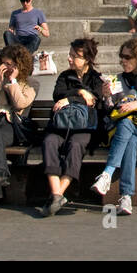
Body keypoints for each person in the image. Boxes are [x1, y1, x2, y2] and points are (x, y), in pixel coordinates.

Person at [91, 37, 137, 216]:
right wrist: (106, 96)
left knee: (127, 125)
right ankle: (126, 197)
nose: (123, 61)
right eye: (121, 57)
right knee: (129, 138)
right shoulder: (118, 79)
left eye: (127, 57)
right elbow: (110, 109)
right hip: (125, 132)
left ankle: (108, 173)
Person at [42, 38, 104, 215]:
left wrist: (70, 99)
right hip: (60, 126)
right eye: (69, 55)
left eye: (75, 56)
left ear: (87, 59)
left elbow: (93, 100)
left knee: (76, 145)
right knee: (49, 142)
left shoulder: (96, 78)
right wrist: (78, 92)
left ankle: (59, 192)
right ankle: (57, 194)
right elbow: (57, 94)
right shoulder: (64, 76)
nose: (70, 59)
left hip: (85, 128)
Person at [0, 44, 39, 211]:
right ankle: (1, 173)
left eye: (8, 64)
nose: (5, 67)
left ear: (19, 64)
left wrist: (13, 82)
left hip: (12, 128)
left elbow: (20, 104)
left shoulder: (31, 84)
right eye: (3, 63)